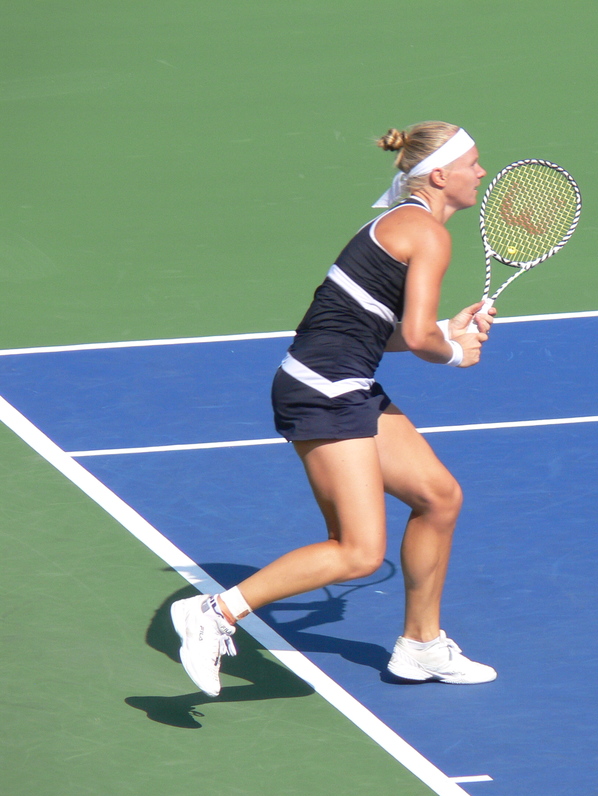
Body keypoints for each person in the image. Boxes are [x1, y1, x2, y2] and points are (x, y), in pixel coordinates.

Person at [171, 121, 497, 697]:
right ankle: (215, 614)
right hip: (325, 388)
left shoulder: (400, 224)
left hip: (337, 379)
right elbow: (419, 339)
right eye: (472, 163)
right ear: (441, 175)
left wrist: (448, 329)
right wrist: (452, 352)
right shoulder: (426, 233)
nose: (482, 172)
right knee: (356, 551)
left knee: (439, 497)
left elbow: (376, 328)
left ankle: (420, 647)